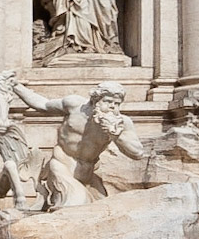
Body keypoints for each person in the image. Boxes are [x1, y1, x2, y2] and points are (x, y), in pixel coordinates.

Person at [12, 80, 144, 208]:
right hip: (62, 164)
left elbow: (137, 153)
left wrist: (116, 136)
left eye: (117, 103)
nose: (112, 107)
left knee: (101, 208)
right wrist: (16, 86)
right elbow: (44, 105)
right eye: (108, 101)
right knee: (76, 204)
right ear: (95, 100)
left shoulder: (122, 123)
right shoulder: (74, 105)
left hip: (88, 173)